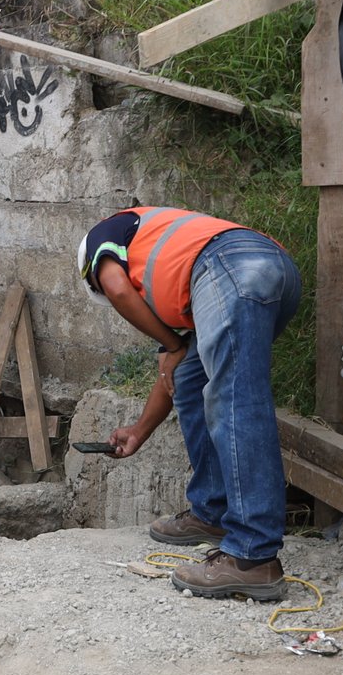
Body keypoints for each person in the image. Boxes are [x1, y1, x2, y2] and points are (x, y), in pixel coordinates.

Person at [79, 206, 301, 600]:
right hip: (272, 271)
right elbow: (174, 373)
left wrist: (168, 342)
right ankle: (213, 512)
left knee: (235, 397)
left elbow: (114, 286)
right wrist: (138, 432)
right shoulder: (176, 279)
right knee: (193, 376)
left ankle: (253, 556)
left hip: (231, 266)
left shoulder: (106, 234)